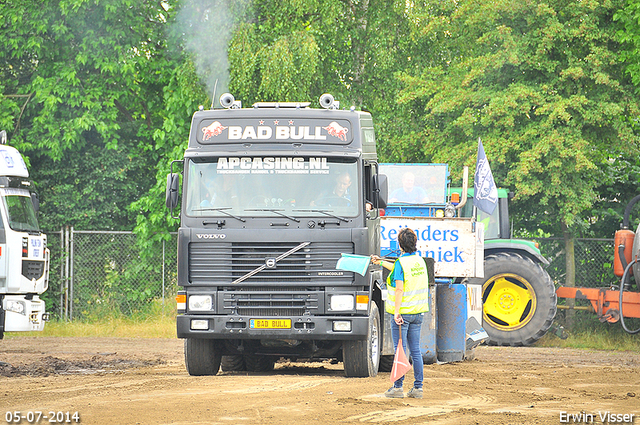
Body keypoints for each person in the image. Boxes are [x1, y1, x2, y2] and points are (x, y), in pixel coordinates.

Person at [371, 228, 430, 399]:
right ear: (414, 243)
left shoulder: (401, 263)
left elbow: (399, 288)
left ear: (400, 245)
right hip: (418, 313)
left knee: (400, 350)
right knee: (415, 351)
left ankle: (398, 387)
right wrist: (380, 262)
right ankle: (418, 387)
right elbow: (399, 269)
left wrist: (396, 312)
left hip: (402, 314)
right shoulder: (419, 261)